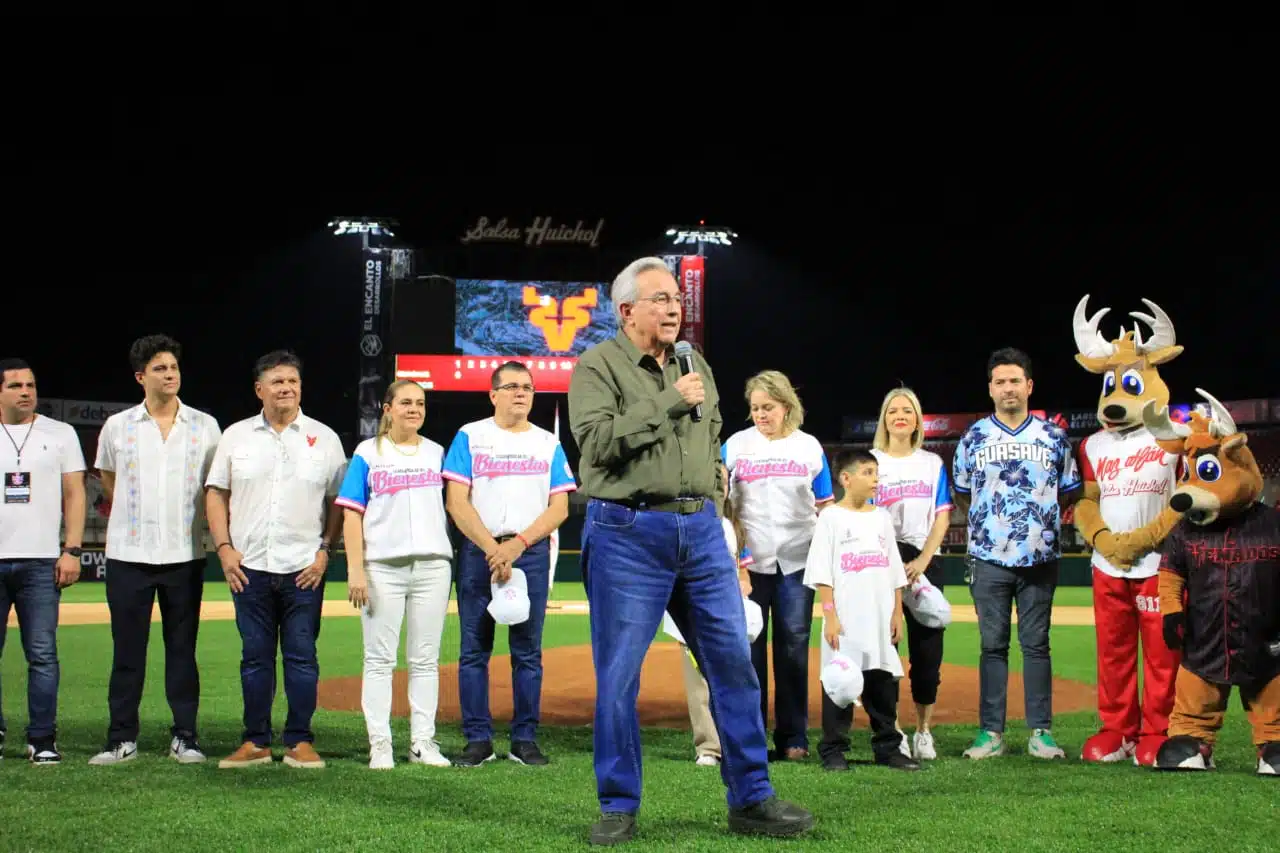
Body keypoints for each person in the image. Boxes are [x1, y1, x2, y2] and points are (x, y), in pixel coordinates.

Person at [568, 256, 813, 846]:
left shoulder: (692, 360)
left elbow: (712, 431)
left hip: (700, 533)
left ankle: (752, 797)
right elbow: (596, 446)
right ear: (626, 311)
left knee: (733, 665)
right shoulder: (595, 367)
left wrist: (715, 498)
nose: (674, 307)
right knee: (620, 676)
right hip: (628, 534)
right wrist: (668, 403)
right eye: (659, 299)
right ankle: (619, 805)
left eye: (676, 297)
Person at [205, 350, 346, 770]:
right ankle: (256, 741)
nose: (286, 388)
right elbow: (216, 492)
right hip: (249, 568)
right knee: (255, 657)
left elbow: (338, 501)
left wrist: (325, 552)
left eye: (293, 381)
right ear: (259, 389)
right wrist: (225, 549)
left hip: (304, 567)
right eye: (278, 381)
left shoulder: (324, 438)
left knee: (302, 656)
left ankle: (300, 740)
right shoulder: (235, 436)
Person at [89, 335, 222, 766]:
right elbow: (108, 481)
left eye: (174, 368)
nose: (170, 374)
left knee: (182, 651)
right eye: (160, 368)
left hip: (184, 555)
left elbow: (214, 487)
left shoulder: (205, 426)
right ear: (140, 376)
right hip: (128, 555)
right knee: (127, 652)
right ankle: (121, 738)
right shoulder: (118, 427)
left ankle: (185, 737)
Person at [443, 360, 574, 767]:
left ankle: (524, 740)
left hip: (528, 552)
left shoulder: (547, 443)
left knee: (527, 652)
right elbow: (456, 502)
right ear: (493, 394)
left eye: (528, 388)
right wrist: (491, 548)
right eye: (513, 386)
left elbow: (560, 507)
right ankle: (478, 740)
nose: (521, 394)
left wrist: (515, 545)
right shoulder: (470, 436)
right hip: (479, 553)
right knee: (473, 650)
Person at [952, 347, 1081, 760]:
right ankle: (991, 733)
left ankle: (1040, 733)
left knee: (1037, 645)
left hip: (1041, 557)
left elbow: (1069, 491)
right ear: (990, 389)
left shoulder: (1053, 436)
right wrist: (993, 526)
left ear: (1029, 386)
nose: (1008, 388)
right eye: (1000, 382)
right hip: (989, 556)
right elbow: (961, 494)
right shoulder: (973, 437)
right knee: (992, 646)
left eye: (1015, 381)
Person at [337, 379, 453, 770]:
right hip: (382, 566)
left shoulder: (437, 453)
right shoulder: (367, 453)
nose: (414, 409)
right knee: (379, 660)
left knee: (425, 660)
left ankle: (422, 742)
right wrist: (356, 568)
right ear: (387, 408)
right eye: (405, 402)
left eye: (419, 403)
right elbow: (351, 512)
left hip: (433, 565)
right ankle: (380, 744)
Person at [722, 370, 833, 761]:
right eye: (754, 408)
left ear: (786, 406)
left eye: (768, 407)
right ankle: (751, 737)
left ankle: (793, 737)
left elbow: (826, 507)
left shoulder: (809, 447)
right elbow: (721, 503)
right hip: (748, 562)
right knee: (748, 650)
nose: (760, 415)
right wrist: (734, 559)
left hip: (797, 560)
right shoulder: (735, 446)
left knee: (793, 647)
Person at [805, 448, 920, 772]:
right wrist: (829, 615)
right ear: (846, 478)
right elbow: (821, 573)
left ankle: (888, 748)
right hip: (845, 621)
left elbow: (895, 572)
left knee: (883, 685)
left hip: (881, 617)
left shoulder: (881, 518)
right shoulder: (830, 518)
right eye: (868, 473)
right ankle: (833, 750)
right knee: (840, 683)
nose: (875, 480)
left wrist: (897, 612)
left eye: (876, 473)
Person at [0, 358, 85, 765]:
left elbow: (75, 494)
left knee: (42, 654)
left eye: (30, 384)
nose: (26, 391)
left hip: (40, 561)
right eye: (15, 385)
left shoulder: (61, 432)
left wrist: (70, 549)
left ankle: (42, 738)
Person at [870, 386, 953, 761]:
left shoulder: (931, 463)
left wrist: (922, 561)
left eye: (907, 410)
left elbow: (942, 516)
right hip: (880, 560)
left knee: (927, 653)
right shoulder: (870, 461)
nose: (900, 416)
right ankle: (893, 731)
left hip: (923, 559)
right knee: (886, 650)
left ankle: (923, 731)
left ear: (917, 419)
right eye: (893, 411)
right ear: (884, 420)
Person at [677, 464, 754, 768]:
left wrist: (744, 583)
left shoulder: (733, 524)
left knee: (731, 678)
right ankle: (708, 747)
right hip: (693, 609)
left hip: (728, 609)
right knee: (699, 684)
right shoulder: (685, 518)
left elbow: (743, 569)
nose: (719, 484)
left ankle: (736, 744)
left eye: (723, 479)